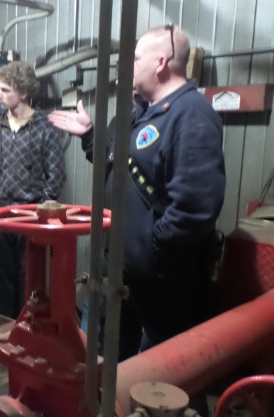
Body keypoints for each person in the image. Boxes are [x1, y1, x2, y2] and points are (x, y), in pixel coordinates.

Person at [49, 25, 225, 358]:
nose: (127, 65)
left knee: (163, 374)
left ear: (161, 62)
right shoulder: (140, 114)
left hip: (159, 282)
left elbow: (195, 208)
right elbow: (124, 166)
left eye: (135, 57)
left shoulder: (191, 117)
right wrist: (90, 136)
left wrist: (150, 250)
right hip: (119, 272)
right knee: (105, 365)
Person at [0, 61, 65, 318]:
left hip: (31, 220)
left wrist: (40, 210)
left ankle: (28, 334)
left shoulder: (46, 129)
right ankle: (2, 335)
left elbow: (57, 175)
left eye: (5, 90)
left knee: (30, 281)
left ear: (24, 93)